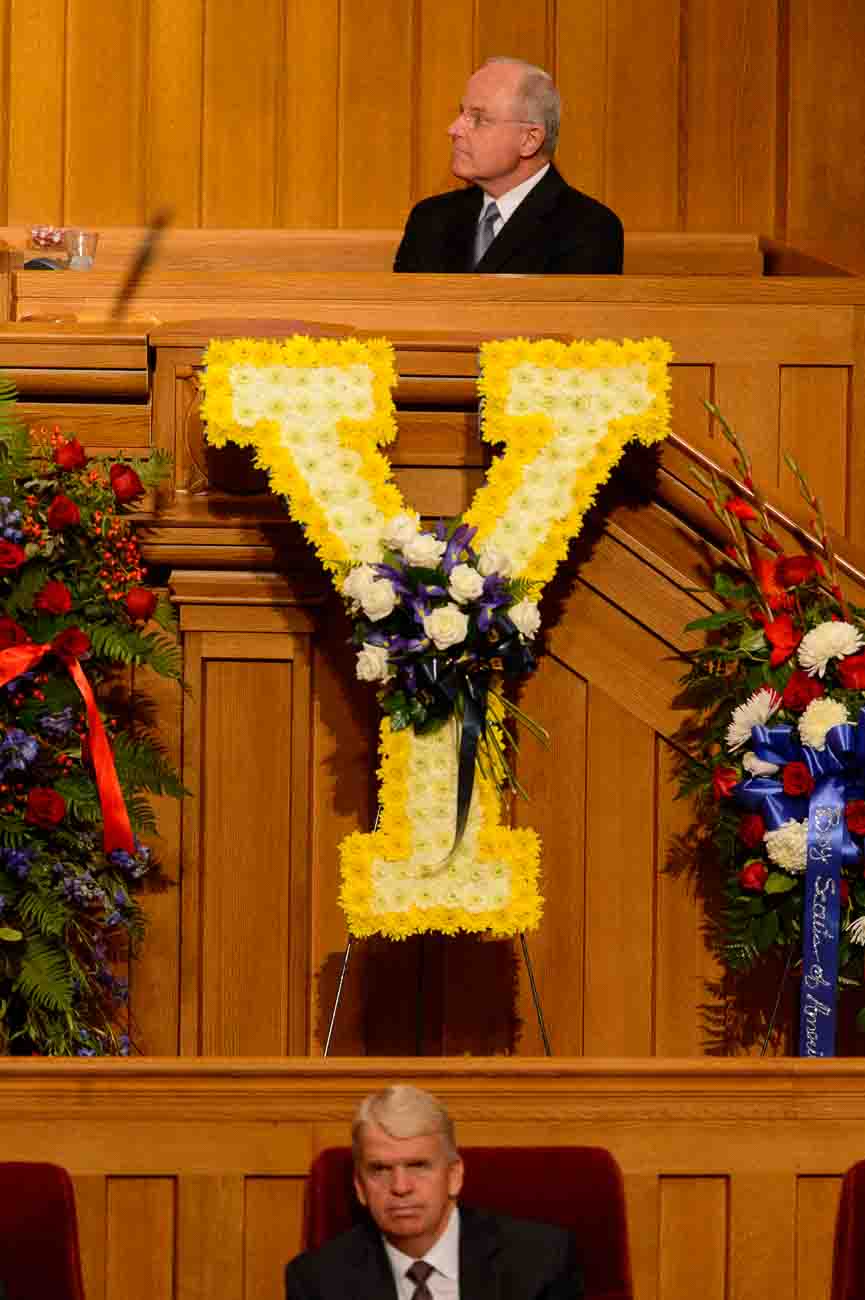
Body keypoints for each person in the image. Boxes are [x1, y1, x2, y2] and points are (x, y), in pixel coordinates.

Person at [285, 1084, 583, 1298]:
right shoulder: (318, 1282)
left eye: (418, 1166)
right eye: (380, 1170)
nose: (400, 1188)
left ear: (454, 1176)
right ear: (360, 1187)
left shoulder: (540, 1262)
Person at [394, 57, 623, 276]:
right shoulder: (429, 220)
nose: (453, 129)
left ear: (529, 140)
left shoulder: (589, 229)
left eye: (478, 119)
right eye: (461, 113)